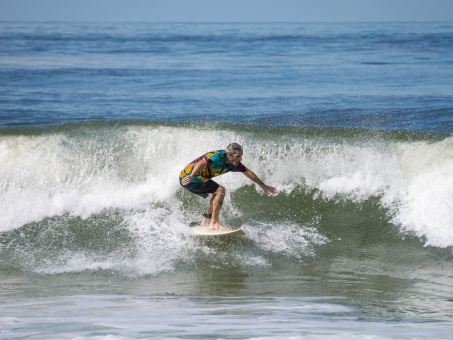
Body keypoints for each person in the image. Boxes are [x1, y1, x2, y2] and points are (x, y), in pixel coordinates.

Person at [179, 143, 277, 230]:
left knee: (216, 192)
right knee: (220, 190)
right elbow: (202, 163)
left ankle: (207, 220)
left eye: (241, 156)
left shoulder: (233, 163)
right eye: (238, 156)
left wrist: (264, 186)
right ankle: (214, 223)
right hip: (189, 178)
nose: (240, 159)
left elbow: (248, 172)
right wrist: (191, 176)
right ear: (229, 155)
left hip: (196, 178)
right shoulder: (217, 157)